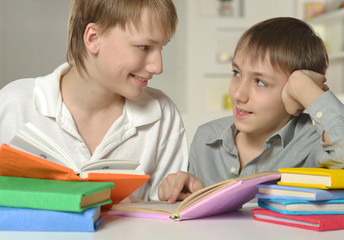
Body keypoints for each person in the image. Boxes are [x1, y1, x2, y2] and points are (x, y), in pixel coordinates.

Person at [0, 0, 188, 201]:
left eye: (162, 48)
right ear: (93, 38)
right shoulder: (13, 105)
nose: (157, 67)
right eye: (143, 47)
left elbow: (167, 219)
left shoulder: (162, 115)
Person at [158, 17, 344, 203]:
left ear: (296, 93)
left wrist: (309, 91)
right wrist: (186, 193)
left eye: (260, 82)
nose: (238, 94)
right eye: (236, 73)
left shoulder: (313, 142)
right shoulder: (207, 139)